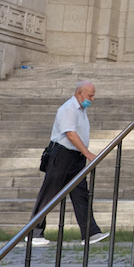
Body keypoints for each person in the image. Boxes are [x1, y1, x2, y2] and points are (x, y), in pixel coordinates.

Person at [32, 81, 108, 246]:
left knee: (81, 194)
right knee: (49, 192)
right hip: (62, 155)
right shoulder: (69, 108)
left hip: (75, 157)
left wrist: (83, 153)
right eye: (90, 95)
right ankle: (34, 232)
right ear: (80, 94)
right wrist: (88, 153)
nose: (92, 99)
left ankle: (90, 233)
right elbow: (70, 134)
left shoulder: (81, 110)